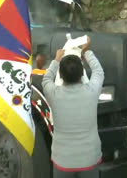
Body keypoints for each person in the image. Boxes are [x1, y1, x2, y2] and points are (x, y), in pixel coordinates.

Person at [42, 37, 104, 178]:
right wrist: (86, 52)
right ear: (82, 73)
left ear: (61, 75)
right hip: (90, 158)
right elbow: (98, 72)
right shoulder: (92, 91)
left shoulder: (53, 93)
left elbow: (46, 79)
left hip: (62, 161)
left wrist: (56, 60)